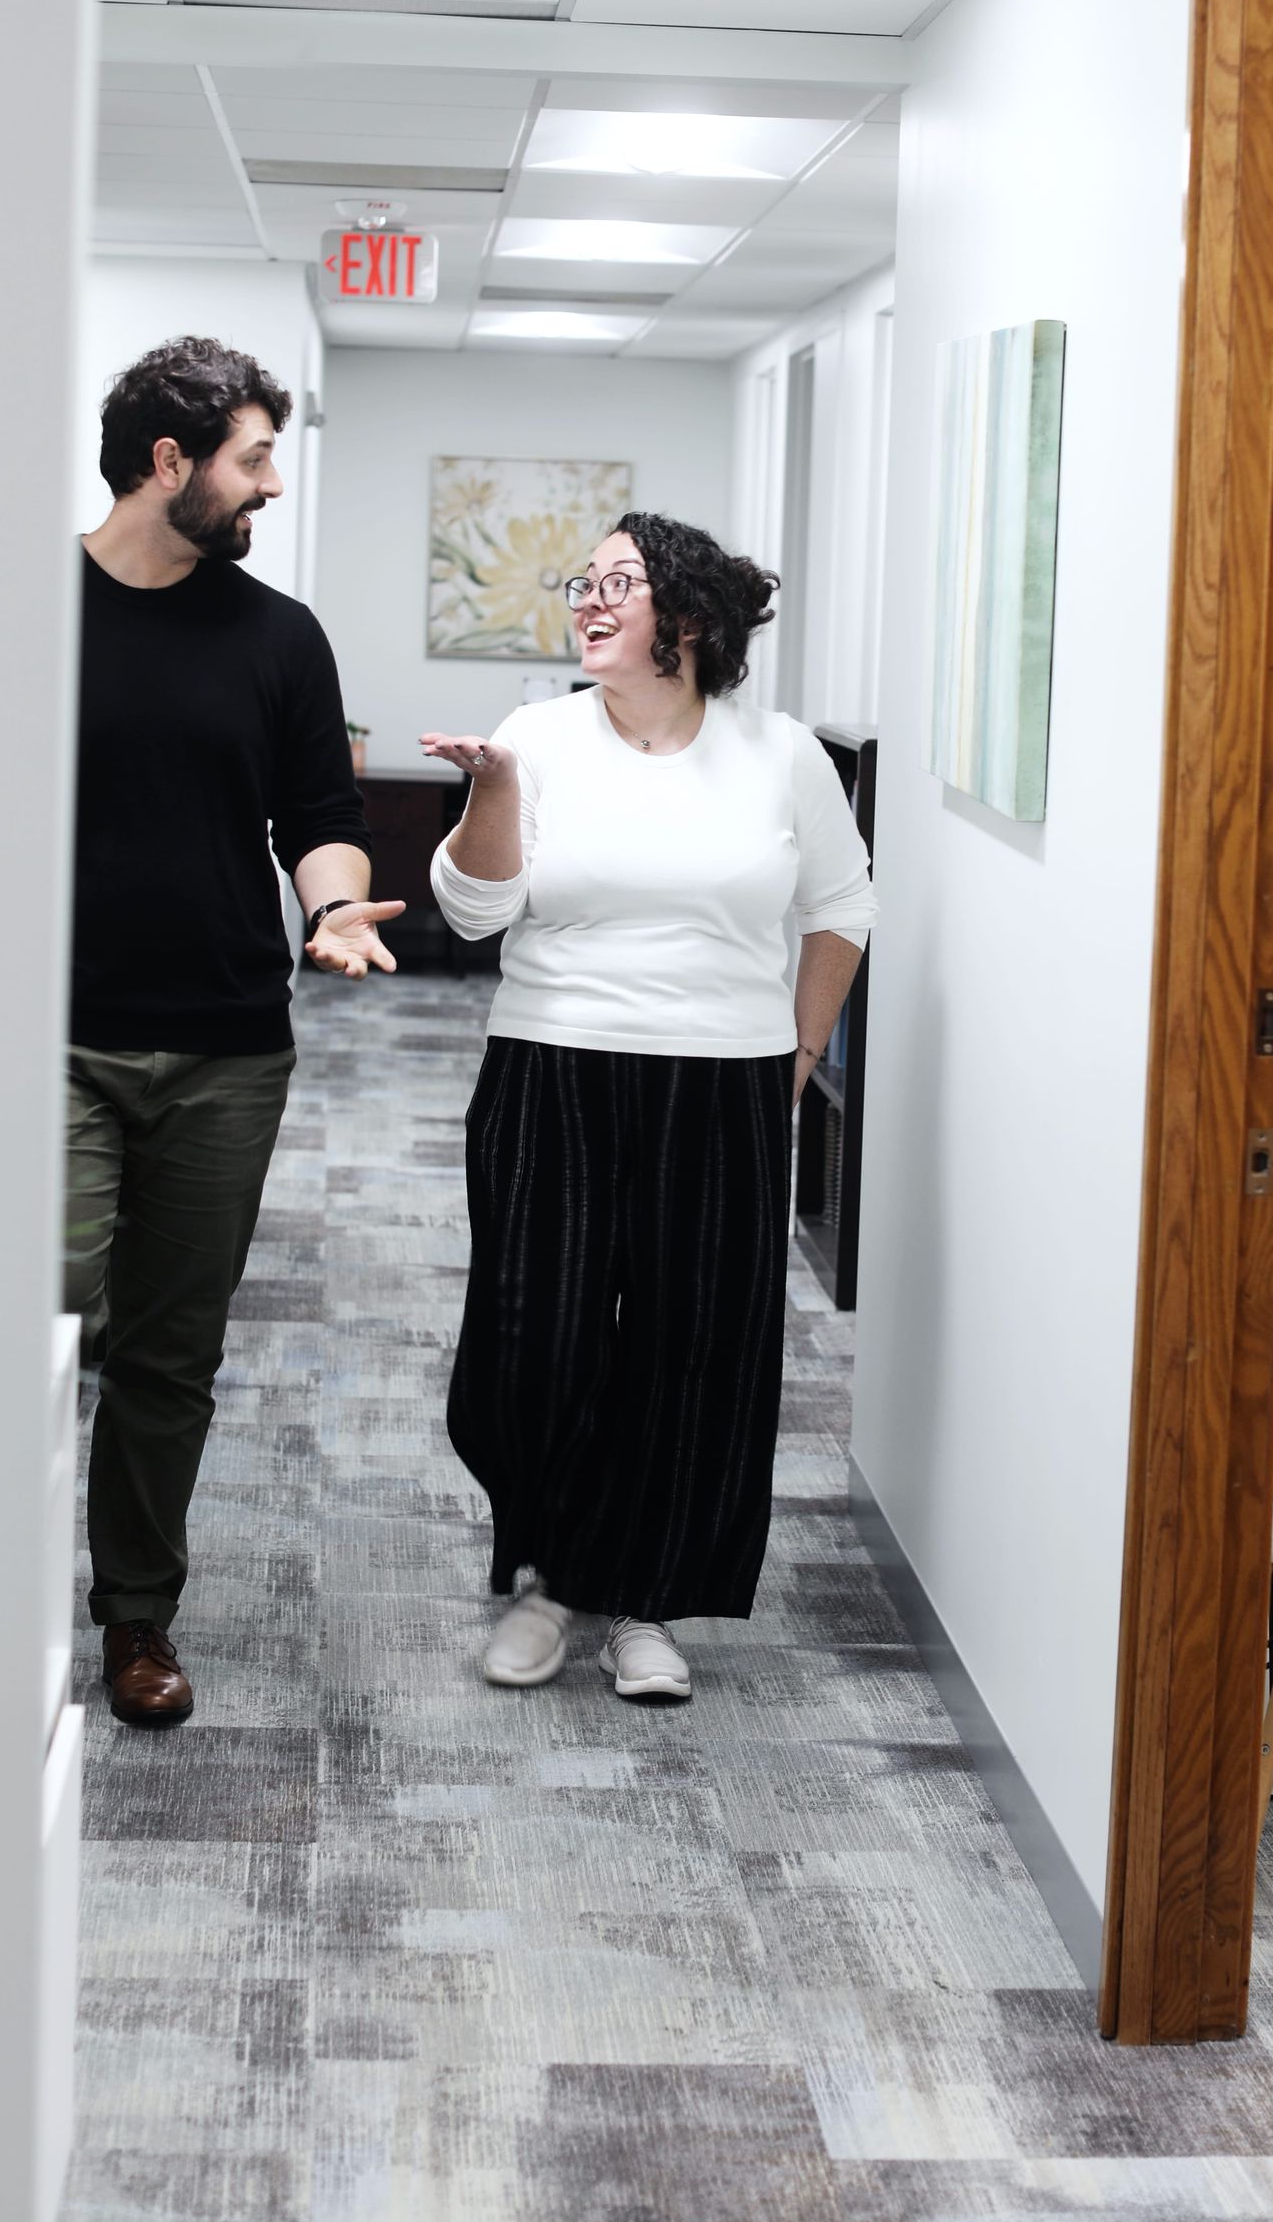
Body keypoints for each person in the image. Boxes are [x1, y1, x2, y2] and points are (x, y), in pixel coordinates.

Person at [420, 509, 876, 1704]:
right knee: (536, 1340)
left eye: (617, 582)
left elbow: (843, 905)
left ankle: (641, 1601)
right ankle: (552, 1574)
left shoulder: (782, 756)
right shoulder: (537, 736)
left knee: (693, 1347)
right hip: (551, 1064)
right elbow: (473, 913)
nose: (588, 599)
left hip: (722, 1080)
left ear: (689, 614)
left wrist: (802, 1049)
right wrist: (493, 790)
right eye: (583, 581)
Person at [65, 334, 401, 1727]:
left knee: (169, 1351)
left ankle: (136, 1616)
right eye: (254, 458)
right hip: (53, 1037)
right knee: (41, 1306)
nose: (270, 484)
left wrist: (336, 906)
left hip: (225, 1047)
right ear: (170, 461)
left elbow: (318, 817)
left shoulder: (278, 637)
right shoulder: (27, 613)